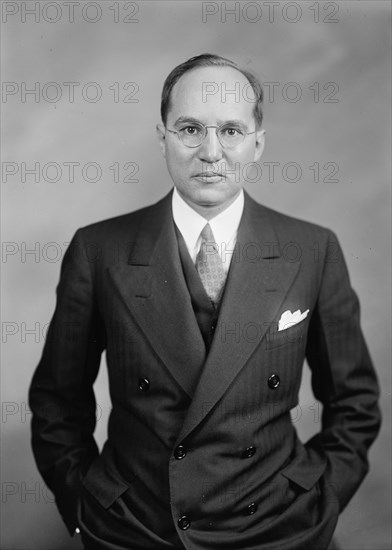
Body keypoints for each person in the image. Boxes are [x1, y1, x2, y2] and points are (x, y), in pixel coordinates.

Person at [29, 54, 381, 550]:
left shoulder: (312, 249)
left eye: (231, 130)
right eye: (190, 128)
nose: (211, 152)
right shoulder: (98, 250)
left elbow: (355, 403)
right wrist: (85, 508)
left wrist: (319, 499)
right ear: (163, 138)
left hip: (280, 528)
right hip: (138, 530)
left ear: (258, 143)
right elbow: (57, 401)